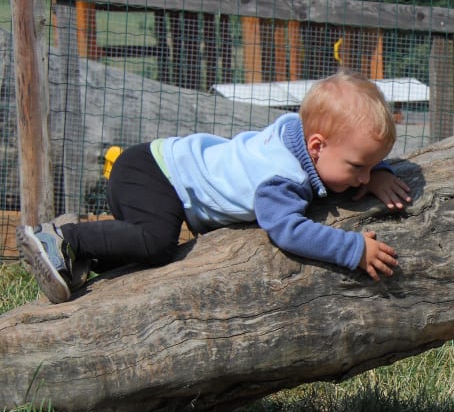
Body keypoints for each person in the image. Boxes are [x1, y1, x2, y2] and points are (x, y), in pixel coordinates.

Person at [16, 71, 412, 304]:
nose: (364, 177)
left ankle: (84, 260)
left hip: (151, 168)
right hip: (154, 175)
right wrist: (353, 248)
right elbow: (288, 231)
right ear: (317, 146)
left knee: (148, 254)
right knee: (157, 242)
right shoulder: (282, 177)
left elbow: (335, 164)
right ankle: (63, 239)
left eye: (371, 165)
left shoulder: (299, 134)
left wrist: (378, 172)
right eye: (359, 167)